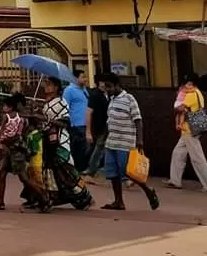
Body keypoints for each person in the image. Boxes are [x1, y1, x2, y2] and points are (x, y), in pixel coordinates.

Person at [99, 73, 160, 211]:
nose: (107, 89)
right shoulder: (112, 100)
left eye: (109, 86)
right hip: (111, 142)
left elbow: (138, 120)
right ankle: (118, 201)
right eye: (105, 87)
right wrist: (104, 137)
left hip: (125, 142)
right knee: (112, 173)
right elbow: (110, 120)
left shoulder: (129, 99)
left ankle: (148, 190)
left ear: (117, 85)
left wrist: (140, 139)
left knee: (128, 171)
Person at [36, 76, 93, 210]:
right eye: (45, 84)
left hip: (60, 140)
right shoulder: (47, 102)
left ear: (56, 87)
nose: (46, 86)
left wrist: (45, 118)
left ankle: (83, 195)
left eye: (49, 84)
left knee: (66, 170)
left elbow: (64, 122)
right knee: (50, 170)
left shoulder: (61, 103)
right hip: (48, 140)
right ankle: (52, 197)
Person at [164, 73, 207, 193]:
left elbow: (180, 108)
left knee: (197, 158)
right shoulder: (198, 93)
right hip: (187, 130)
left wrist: (178, 99)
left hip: (190, 129)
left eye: (187, 84)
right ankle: (175, 180)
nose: (185, 87)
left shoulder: (192, 95)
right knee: (178, 153)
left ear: (191, 84)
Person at [0, 93, 28, 210]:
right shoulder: (19, 116)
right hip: (12, 149)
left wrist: (4, 140)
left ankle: (42, 196)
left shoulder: (23, 118)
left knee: (23, 177)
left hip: (17, 150)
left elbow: (18, 135)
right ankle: (0, 201)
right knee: (3, 173)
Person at [84, 73, 109, 181]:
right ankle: (90, 171)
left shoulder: (106, 95)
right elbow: (89, 112)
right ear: (98, 83)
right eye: (102, 82)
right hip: (98, 127)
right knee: (98, 148)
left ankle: (92, 170)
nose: (104, 84)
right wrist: (88, 131)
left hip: (105, 126)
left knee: (98, 149)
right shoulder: (95, 95)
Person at [64, 69, 90, 171]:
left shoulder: (84, 90)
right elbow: (65, 106)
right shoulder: (69, 90)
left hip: (86, 123)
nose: (85, 79)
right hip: (76, 124)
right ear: (76, 78)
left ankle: (82, 167)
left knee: (85, 147)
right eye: (83, 77)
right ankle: (78, 168)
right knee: (79, 147)